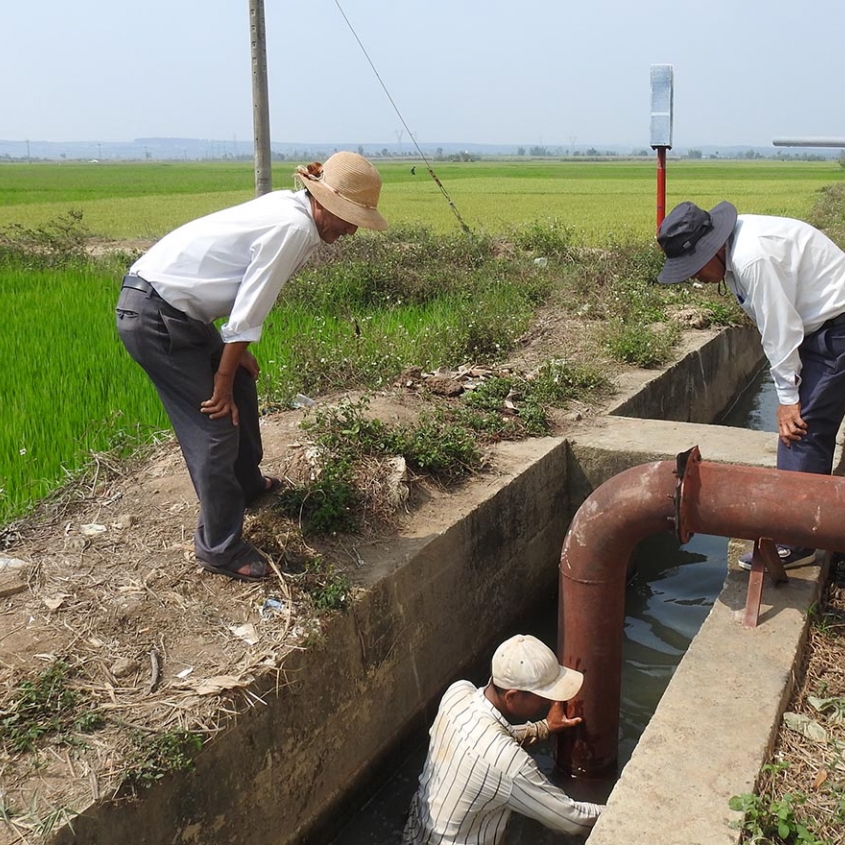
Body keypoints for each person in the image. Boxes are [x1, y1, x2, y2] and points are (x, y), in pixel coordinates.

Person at [116, 152, 387, 582]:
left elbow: (236, 284)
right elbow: (251, 306)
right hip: (157, 316)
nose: (352, 229)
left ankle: (245, 485)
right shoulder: (294, 226)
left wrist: (234, 360)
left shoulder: (295, 212)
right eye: (349, 217)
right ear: (324, 201)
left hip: (181, 310)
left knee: (242, 379)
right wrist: (221, 379)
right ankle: (219, 548)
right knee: (216, 425)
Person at [656, 201, 845, 570]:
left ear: (713, 248)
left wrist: (789, 399)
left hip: (844, 328)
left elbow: (780, 331)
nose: (696, 279)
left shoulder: (751, 258)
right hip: (824, 325)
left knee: (801, 429)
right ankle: (805, 520)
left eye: (695, 269)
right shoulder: (736, 246)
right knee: (804, 431)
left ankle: (798, 541)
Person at [402, 634, 603, 844]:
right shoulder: (509, 765)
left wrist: (543, 728)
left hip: (416, 834)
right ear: (511, 696)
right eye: (542, 696)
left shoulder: (457, 693)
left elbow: (488, 740)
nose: (548, 702)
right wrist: (621, 807)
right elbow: (571, 820)